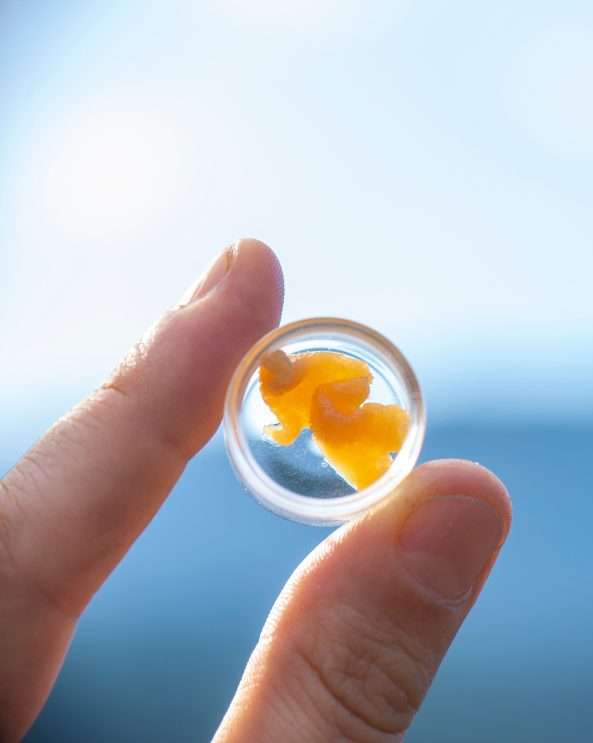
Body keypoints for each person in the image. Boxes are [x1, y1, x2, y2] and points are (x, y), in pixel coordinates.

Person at [0, 240, 513, 742]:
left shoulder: (330, 378)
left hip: (361, 439)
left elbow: (348, 385)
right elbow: (294, 424)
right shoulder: (290, 395)